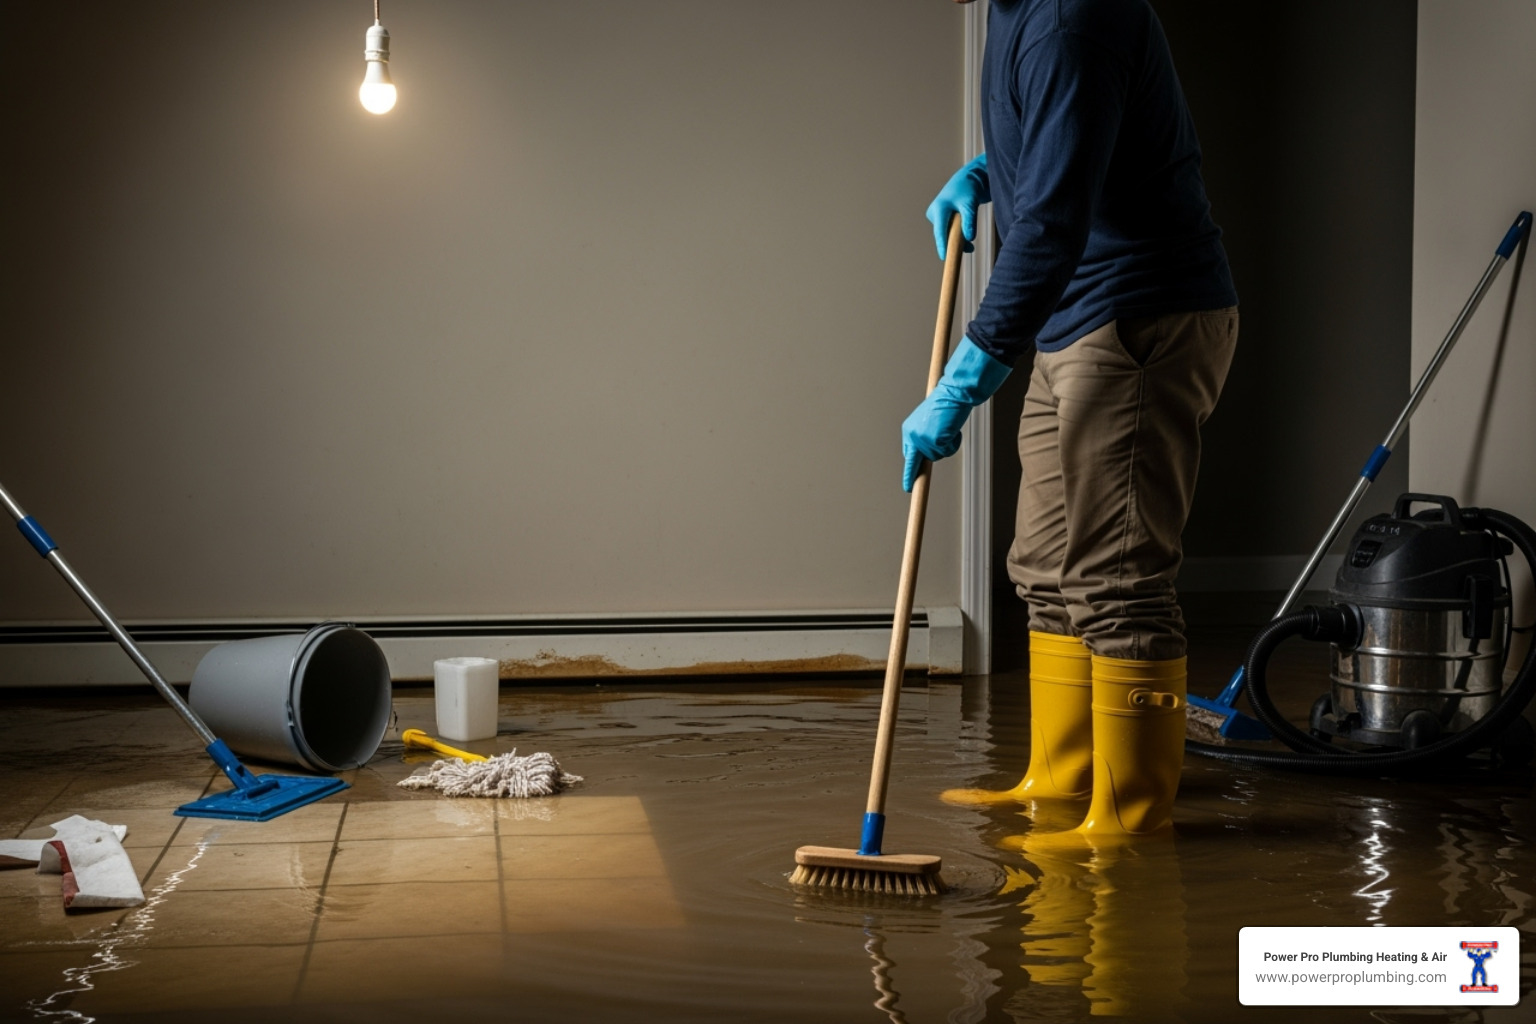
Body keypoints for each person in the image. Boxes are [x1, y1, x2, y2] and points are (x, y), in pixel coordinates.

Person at [919, 0, 1239, 838]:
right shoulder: (1012, 10)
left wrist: (964, 376)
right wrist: (991, 170)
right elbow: (1080, 128)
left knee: (1118, 579)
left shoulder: (1071, 17)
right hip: (1076, 317)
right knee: (1043, 565)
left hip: (1140, 317)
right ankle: (1061, 782)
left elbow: (1054, 224)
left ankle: (1129, 817)